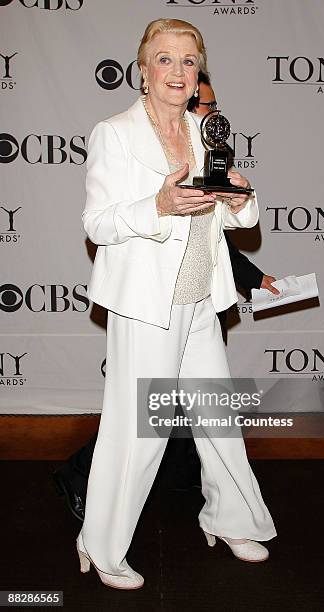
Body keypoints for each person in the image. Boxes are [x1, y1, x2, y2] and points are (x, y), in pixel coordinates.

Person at [75, 18, 277, 590]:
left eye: (189, 61)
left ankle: (232, 520)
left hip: (200, 299)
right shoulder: (114, 133)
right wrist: (157, 204)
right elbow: (98, 223)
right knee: (141, 430)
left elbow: (239, 217)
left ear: (199, 73)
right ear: (143, 70)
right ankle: (102, 544)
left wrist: (238, 194)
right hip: (145, 305)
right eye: (165, 59)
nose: (177, 71)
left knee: (217, 419)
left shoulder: (203, 130)